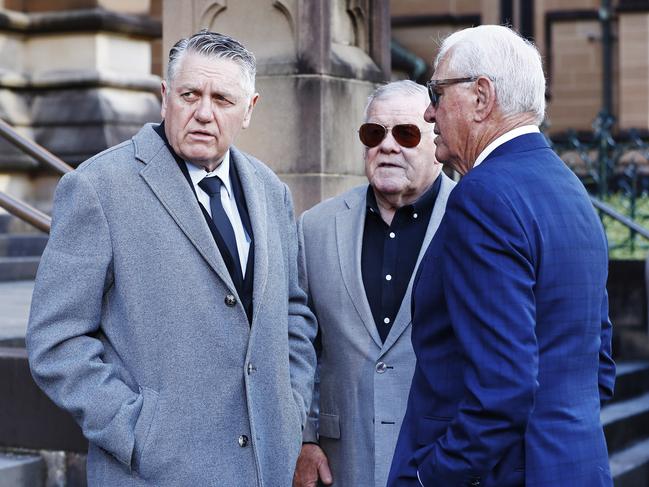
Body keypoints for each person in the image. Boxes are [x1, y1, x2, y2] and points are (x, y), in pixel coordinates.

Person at [26, 30, 316, 487]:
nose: (203, 113)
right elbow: (55, 340)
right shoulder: (99, 187)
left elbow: (294, 313)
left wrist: (291, 406)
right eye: (189, 94)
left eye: (222, 99)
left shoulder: (269, 190)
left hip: (264, 469)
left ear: (249, 110)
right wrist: (137, 432)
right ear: (165, 97)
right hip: (152, 474)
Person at [388, 25, 616, 487]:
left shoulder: (483, 196)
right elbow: (599, 366)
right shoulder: (571, 189)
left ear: (481, 96)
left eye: (436, 91)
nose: (430, 112)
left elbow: (503, 389)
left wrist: (429, 477)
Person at [293, 80, 455, 487]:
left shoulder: (472, 219)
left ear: (437, 143)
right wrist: (304, 438)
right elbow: (295, 344)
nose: (387, 145)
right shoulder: (315, 226)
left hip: (442, 462)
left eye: (405, 133)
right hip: (341, 464)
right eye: (374, 133)